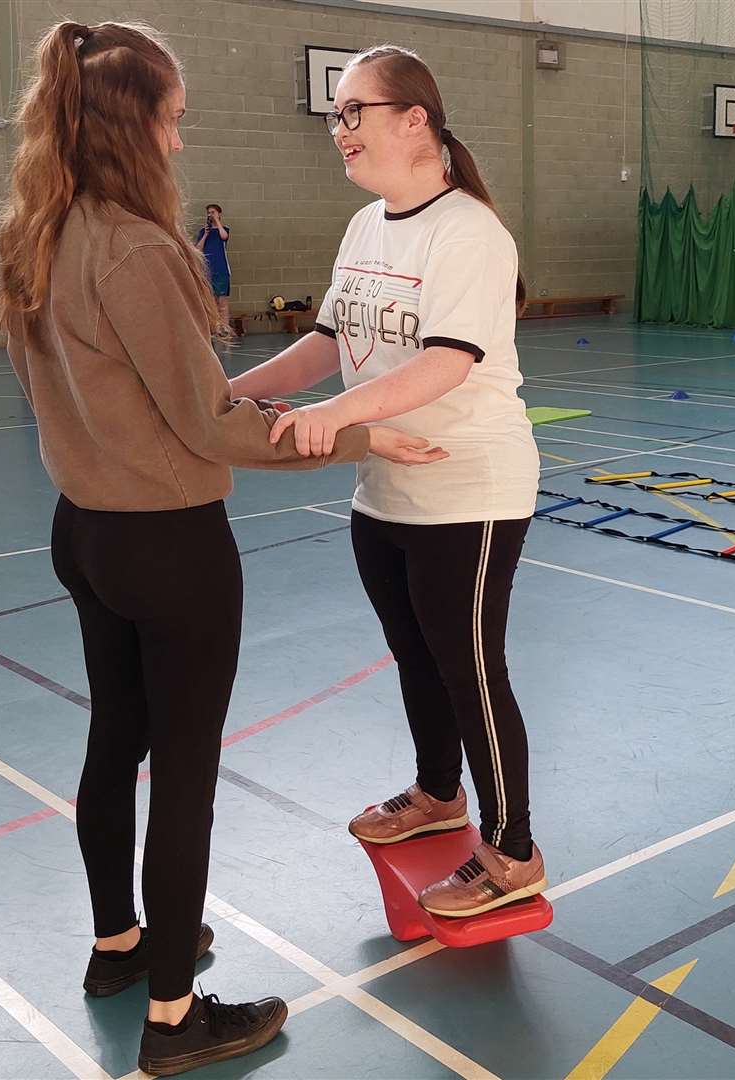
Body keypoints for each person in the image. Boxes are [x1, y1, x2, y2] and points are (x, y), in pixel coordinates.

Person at [0, 21, 443, 1076]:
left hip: (85, 531)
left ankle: (118, 948)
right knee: (184, 773)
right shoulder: (137, 248)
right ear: (131, 125)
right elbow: (206, 427)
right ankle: (174, 1018)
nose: (179, 144)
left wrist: (209, 400)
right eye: (173, 121)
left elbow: (106, 396)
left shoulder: (37, 229)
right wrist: (358, 433)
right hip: (168, 549)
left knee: (116, 741)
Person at [228, 45, 547, 919]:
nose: (340, 131)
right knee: (416, 655)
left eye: (353, 111)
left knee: (471, 666)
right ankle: (438, 794)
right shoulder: (367, 226)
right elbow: (327, 343)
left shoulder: (471, 234)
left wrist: (342, 416)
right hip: (385, 491)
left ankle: (513, 847)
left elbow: (447, 363)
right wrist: (231, 391)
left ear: (416, 121)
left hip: (470, 490)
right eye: (337, 115)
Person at [195, 203, 232, 335]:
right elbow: (198, 249)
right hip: (207, 271)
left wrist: (217, 222)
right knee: (211, 301)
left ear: (219, 214)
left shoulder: (224, 229)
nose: (210, 215)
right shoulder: (203, 231)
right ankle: (214, 328)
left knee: (222, 301)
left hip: (221, 269)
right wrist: (205, 235)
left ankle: (225, 328)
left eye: (213, 212)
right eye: (209, 213)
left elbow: (224, 237)